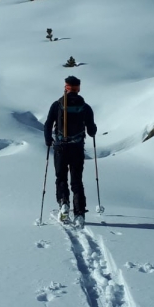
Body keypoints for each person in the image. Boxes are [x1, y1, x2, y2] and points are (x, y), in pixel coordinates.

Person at [44, 76, 97, 227]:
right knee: (77, 181)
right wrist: (93, 130)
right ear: (78, 88)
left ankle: (63, 203)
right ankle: (79, 213)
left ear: (66, 87)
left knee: (61, 178)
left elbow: (48, 124)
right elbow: (92, 130)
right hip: (77, 148)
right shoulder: (85, 107)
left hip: (60, 147)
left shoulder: (57, 104)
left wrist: (48, 140)